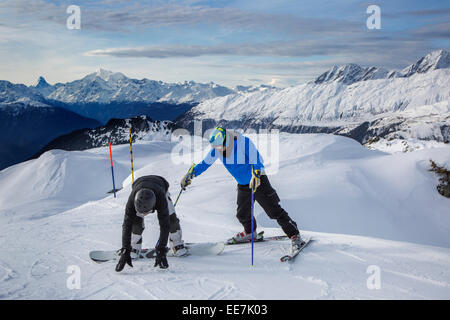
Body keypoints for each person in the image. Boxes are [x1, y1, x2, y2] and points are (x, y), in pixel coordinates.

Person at [180, 126, 304, 254]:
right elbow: (205, 164)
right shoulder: (217, 149)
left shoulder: (243, 142)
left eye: (219, 147)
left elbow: (257, 160)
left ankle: (295, 235)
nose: (217, 150)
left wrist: (256, 174)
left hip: (258, 181)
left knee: (273, 211)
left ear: (226, 141)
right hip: (243, 184)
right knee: (242, 214)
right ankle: (250, 233)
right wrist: (191, 174)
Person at [115, 175, 187, 272]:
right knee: (136, 223)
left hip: (160, 185)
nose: (144, 215)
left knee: (171, 219)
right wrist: (126, 249)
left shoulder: (161, 199)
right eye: (141, 212)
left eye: (146, 213)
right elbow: (126, 225)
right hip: (139, 185)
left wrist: (161, 248)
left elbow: (164, 225)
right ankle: (134, 245)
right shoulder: (132, 201)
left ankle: (176, 243)